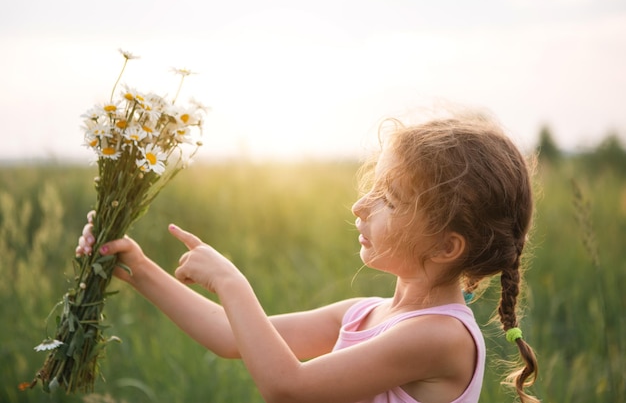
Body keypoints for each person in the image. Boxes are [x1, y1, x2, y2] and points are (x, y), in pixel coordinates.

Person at [76, 108, 539, 403]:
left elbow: (288, 387)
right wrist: (135, 265)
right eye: (372, 188)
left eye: (390, 200)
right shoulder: (362, 315)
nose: (360, 205)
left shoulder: (442, 337)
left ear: (446, 246)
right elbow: (231, 336)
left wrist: (233, 283)